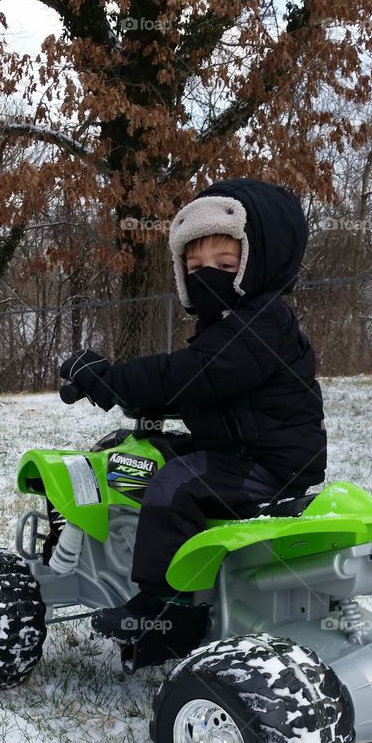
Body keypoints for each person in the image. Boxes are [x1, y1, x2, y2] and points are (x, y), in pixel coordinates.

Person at [58, 176, 327, 654]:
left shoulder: (264, 321)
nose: (208, 275)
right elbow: (200, 389)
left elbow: (191, 375)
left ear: (258, 264)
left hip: (268, 466)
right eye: (194, 264)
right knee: (153, 457)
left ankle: (167, 607)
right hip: (242, 448)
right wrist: (136, 400)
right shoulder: (230, 325)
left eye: (225, 264)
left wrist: (110, 379)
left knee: (174, 486)